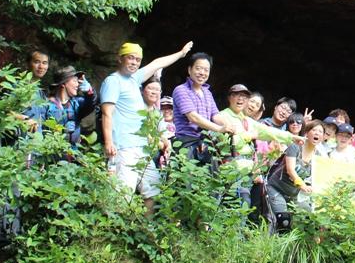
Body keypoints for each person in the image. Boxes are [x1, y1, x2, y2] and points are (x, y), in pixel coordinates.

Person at [100, 41, 193, 213]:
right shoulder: (113, 81)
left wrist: (181, 53)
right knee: (122, 193)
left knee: (153, 191)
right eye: (131, 58)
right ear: (120, 58)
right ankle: (115, 232)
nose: (134, 62)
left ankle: (146, 230)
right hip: (123, 146)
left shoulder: (134, 79)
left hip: (142, 147)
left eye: (138, 59)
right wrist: (109, 142)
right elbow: (107, 113)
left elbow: (157, 63)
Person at [215, 84, 301, 205]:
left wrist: (292, 137)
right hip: (232, 168)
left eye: (244, 97)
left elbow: (268, 131)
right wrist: (249, 135)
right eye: (237, 96)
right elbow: (231, 142)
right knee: (234, 205)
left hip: (247, 171)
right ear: (229, 97)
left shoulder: (246, 120)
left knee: (242, 208)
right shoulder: (222, 116)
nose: (241, 100)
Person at [170, 52, 232, 162]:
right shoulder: (181, 90)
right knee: (186, 177)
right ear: (189, 70)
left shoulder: (207, 93)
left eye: (206, 70)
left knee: (210, 176)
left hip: (205, 143)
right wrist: (219, 129)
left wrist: (228, 125)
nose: (202, 73)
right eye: (198, 68)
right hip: (186, 143)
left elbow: (215, 115)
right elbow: (193, 117)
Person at [263, 120, 325, 217]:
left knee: (307, 217)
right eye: (313, 130)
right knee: (282, 220)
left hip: (294, 195)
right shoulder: (295, 147)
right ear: (306, 133)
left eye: (320, 132)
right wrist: (302, 185)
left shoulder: (318, 156)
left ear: (323, 137)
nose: (317, 133)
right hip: (276, 188)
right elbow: (290, 170)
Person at [31, 65, 95, 149]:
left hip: (73, 155)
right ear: (63, 84)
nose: (78, 84)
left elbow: (91, 104)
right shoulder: (46, 105)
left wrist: (90, 93)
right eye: (75, 81)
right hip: (51, 155)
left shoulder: (77, 103)